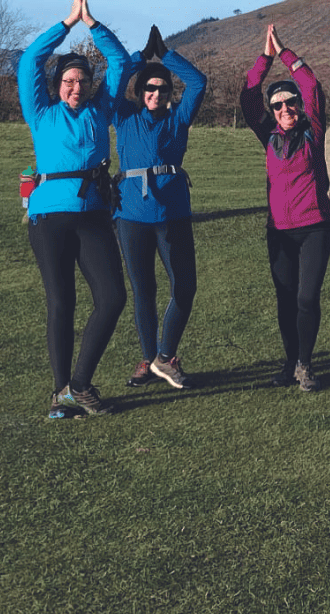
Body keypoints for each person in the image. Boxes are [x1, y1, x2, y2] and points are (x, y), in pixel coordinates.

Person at [17, 0, 129, 419]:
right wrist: (66, 24)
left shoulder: (101, 109)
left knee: (113, 297)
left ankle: (80, 384)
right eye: (68, 80)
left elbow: (120, 63)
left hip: (94, 215)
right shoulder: (42, 112)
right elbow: (30, 61)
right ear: (57, 84)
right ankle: (60, 392)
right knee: (61, 303)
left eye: (82, 80)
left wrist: (92, 25)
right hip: (49, 217)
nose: (76, 87)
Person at [113, 24, 207, 390]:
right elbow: (113, 82)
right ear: (140, 92)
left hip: (173, 214)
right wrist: (140, 58)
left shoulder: (178, 119)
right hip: (131, 216)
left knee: (184, 287)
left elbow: (197, 83)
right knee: (143, 290)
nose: (156, 92)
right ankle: (148, 358)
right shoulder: (123, 116)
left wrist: (165, 55)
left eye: (163, 88)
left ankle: (165, 356)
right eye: (149, 87)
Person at [241, 24, 330, 391]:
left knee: (306, 298)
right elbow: (248, 98)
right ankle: (290, 362)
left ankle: (305, 366)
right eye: (277, 104)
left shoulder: (314, 130)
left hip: (314, 228)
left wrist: (285, 54)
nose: (284, 109)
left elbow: (312, 87)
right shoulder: (268, 135)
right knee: (285, 299)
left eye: (289, 102)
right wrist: (263, 59)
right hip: (278, 231)